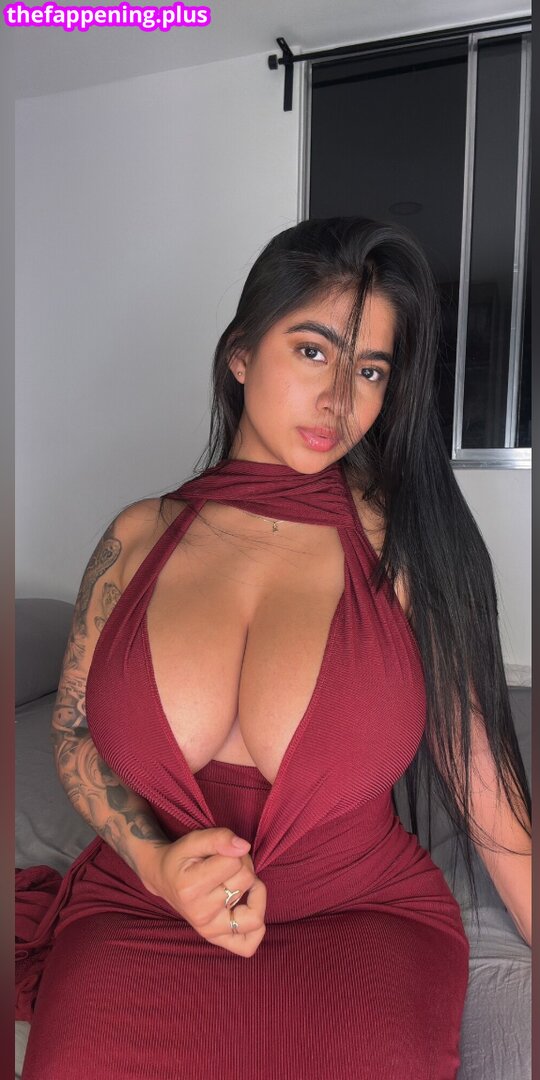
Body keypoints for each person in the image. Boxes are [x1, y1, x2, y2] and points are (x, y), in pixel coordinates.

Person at [16, 216, 531, 1079]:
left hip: (357, 920)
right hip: (144, 909)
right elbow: (70, 730)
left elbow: (482, 779)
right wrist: (156, 863)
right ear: (241, 355)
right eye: (313, 351)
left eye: (371, 370)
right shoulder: (138, 538)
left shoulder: (408, 550)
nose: (340, 400)